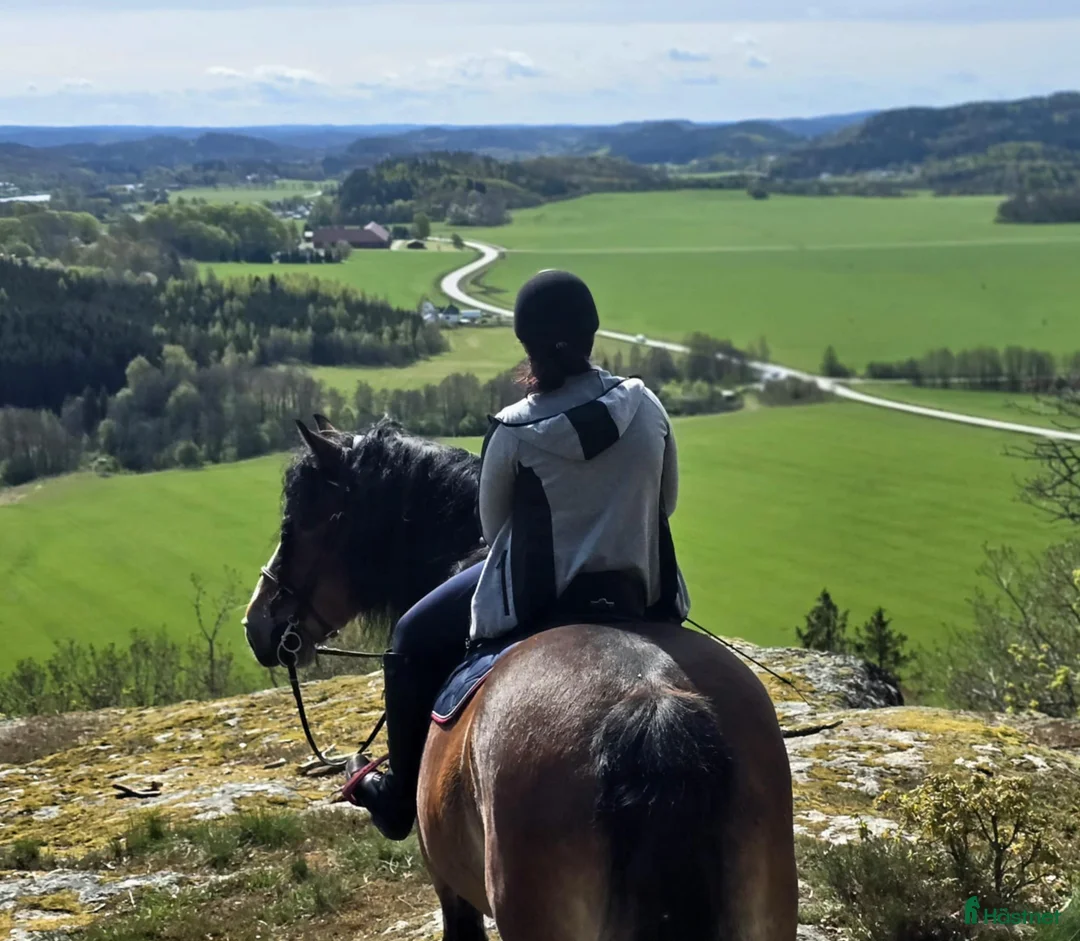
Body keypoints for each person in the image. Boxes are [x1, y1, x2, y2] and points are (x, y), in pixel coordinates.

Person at [343, 269, 690, 840]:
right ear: (591, 332)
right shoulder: (646, 405)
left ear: (526, 342)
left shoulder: (512, 431)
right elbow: (666, 503)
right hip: (641, 597)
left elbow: (494, 529)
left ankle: (399, 798)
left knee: (409, 636)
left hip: (540, 609)